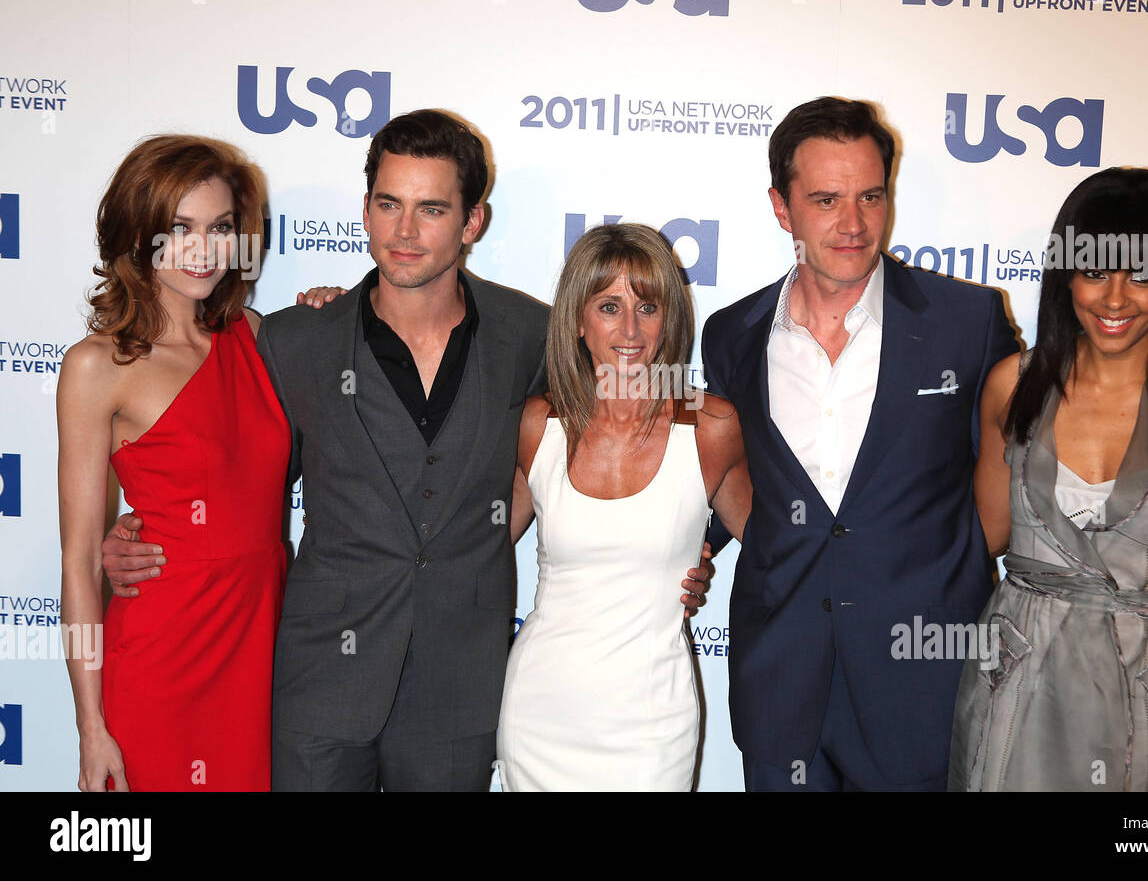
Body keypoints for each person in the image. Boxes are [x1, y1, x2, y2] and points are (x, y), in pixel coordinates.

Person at [101, 110, 711, 790]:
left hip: (460, 688)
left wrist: (682, 546)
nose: (405, 231)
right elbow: (232, 477)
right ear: (365, 210)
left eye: (431, 209)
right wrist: (135, 533)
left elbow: (627, 434)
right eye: (388, 204)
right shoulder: (296, 342)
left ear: (472, 222)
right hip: (319, 685)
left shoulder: (531, 337)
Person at [700, 97, 1148, 791]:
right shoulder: (732, 332)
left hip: (925, 687)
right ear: (780, 206)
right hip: (780, 686)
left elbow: (1037, 465)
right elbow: (728, 469)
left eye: (871, 197)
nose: (853, 224)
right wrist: (678, 550)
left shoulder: (966, 324)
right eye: (825, 200)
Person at [949, 168, 1148, 791]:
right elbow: (978, 540)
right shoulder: (1012, 387)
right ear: (1067, 274)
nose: (1114, 299)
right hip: (1014, 692)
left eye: (1141, 274)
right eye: (1095, 271)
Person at [58, 135, 285, 791]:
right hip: (162, 659)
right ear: (139, 233)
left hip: (259, 654)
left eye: (219, 228)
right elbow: (78, 564)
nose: (202, 250)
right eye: (179, 228)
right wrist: (91, 728)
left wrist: (328, 310)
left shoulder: (261, 339)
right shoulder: (98, 367)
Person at [496, 224, 750, 791]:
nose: (630, 330)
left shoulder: (711, 427)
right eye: (609, 306)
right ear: (579, 323)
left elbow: (784, 552)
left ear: (671, 319)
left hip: (653, 725)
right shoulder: (539, 424)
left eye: (648, 306)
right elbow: (469, 548)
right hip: (541, 713)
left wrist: (700, 555)